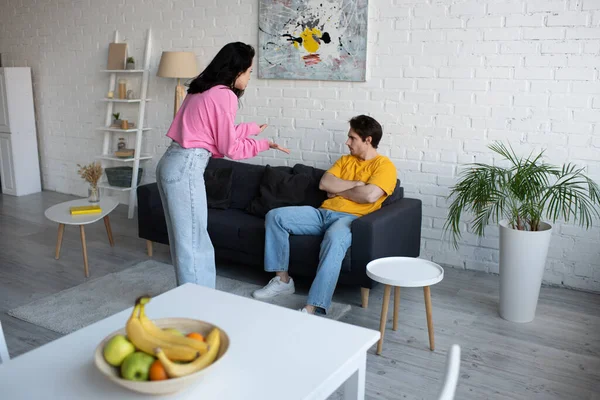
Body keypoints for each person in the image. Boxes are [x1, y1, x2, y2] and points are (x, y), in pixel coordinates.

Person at [156, 42, 289, 289]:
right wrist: (261, 145)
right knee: (195, 243)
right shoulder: (224, 95)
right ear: (237, 70)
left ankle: (189, 297)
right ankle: (199, 304)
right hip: (186, 167)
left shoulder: (200, 90)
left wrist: (251, 130)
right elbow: (230, 148)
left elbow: (214, 134)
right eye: (249, 71)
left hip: (171, 164)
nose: (250, 77)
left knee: (184, 242)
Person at [252, 115, 397, 314]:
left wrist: (338, 189)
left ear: (368, 140)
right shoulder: (346, 160)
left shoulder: (384, 167)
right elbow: (324, 184)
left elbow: (370, 195)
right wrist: (355, 185)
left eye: (352, 138)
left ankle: (315, 305)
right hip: (322, 214)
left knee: (334, 239)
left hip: (350, 220)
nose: (347, 142)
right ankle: (283, 280)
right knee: (275, 217)